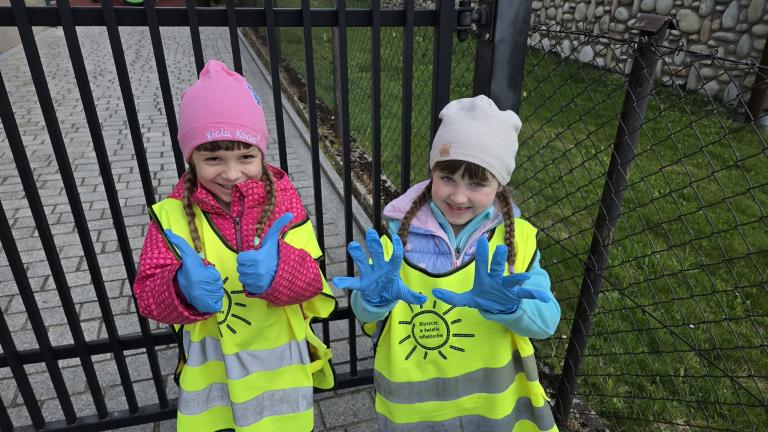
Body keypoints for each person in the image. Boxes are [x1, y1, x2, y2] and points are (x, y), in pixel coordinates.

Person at [333, 95, 561, 432]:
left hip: (493, 413)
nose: (458, 196)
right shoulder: (397, 241)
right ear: (433, 172)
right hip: (416, 414)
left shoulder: (517, 243)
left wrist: (513, 308)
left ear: (500, 184)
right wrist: (370, 301)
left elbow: (546, 322)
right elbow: (367, 319)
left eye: (477, 183)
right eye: (448, 178)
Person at [133, 60, 336, 432]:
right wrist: (179, 289)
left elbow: (315, 285)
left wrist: (281, 273)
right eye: (213, 158)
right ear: (191, 159)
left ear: (262, 153)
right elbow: (147, 296)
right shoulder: (171, 215)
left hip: (279, 381)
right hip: (215, 386)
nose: (231, 173)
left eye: (246, 156)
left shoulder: (284, 204)